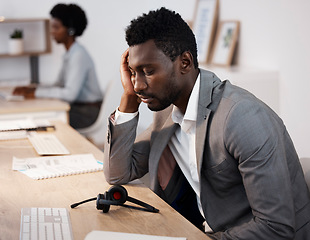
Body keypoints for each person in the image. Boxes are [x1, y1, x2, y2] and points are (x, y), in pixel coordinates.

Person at [103, 7, 310, 239]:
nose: (138, 84)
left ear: (185, 62)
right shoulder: (167, 110)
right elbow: (118, 174)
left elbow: (276, 228)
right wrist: (129, 99)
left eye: (148, 71)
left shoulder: (242, 118)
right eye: (133, 73)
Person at [13, 3, 103, 129]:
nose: (52, 32)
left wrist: (36, 93)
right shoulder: (70, 54)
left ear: (70, 30)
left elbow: (69, 94)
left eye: (56, 27)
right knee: (43, 115)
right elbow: (58, 85)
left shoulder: (78, 55)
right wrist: (32, 89)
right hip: (78, 108)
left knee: (45, 118)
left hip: (87, 112)